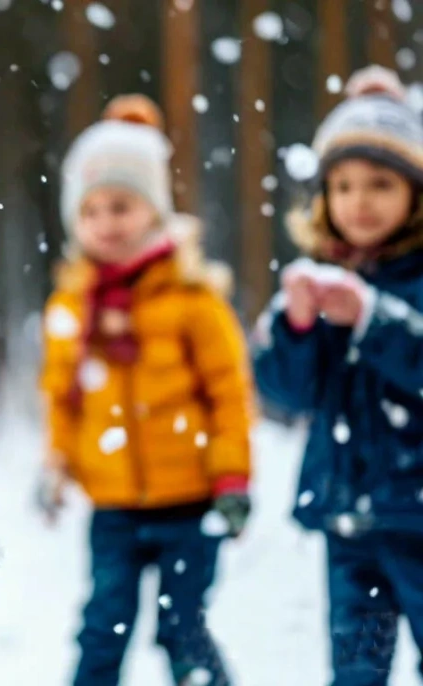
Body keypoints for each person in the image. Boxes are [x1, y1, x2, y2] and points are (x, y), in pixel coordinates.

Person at [38, 94, 253, 686]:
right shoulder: (71, 307)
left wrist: (232, 477)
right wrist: (56, 462)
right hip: (113, 507)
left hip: (191, 501)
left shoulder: (193, 301)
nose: (106, 222)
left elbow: (229, 393)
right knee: (103, 624)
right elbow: (61, 396)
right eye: (92, 210)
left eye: (122, 205)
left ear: (155, 211)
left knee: (182, 626)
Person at [252, 65, 423, 686]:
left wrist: (373, 321)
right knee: (355, 670)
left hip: (418, 515)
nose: (360, 200)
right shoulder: (316, 280)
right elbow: (284, 393)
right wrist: (298, 327)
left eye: (381, 182)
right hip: (349, 525)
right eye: (343, 185)